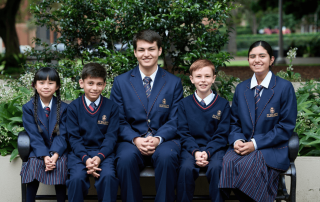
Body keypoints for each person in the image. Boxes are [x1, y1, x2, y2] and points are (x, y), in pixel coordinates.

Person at [218, 41, 297, 202]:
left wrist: (254, 144)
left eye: (262, 56)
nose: (257, 60)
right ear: (248, 60)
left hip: (272, 148)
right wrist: (237, 140)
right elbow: (234, 122)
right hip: (244, 146)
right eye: (252, 56)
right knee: (226, 161)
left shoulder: (284, 88)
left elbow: (285, 127)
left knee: (249, 164)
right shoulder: (241, 88)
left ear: (271, 60)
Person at [110, 29, 183, 202]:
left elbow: (176, 119)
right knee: (125, 159)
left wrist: (158, 138)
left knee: (167, 157)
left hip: (164, 140)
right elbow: (118, 120)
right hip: (132, 140)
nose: (146, 54)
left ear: (159, 51)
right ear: (135, 52)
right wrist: (135, 139)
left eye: (151, 49)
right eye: (141, 50)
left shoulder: (173, 82)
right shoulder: (121, 82)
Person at [176, 59, 230, 202]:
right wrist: (196, 151)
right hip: (191, 149)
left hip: (215, 149)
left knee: (217, 168)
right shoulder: (183, 104)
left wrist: (207, 152)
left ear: (214, 78)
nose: (203, 80)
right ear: (191, 79)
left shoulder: (223, 105)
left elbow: (222, 134)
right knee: (185, 169)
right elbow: (183, 132)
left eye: (207, 76)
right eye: (198, 76)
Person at [66, 63, 119, 202]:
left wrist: (100, 157)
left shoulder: (112, 107)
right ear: (81, 83)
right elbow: (74, 138)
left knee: (108, 178)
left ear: (105, 85)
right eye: (90, 83)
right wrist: (85, 159)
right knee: (76, 179)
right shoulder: (73, 108)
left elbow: (111, 137)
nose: (95, 88)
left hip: (104, 154)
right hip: (79, 154)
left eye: (99, 84)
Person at [21, 67, 68, 202]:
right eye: (41, 83)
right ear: (34, 85)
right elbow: (34, 135)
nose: (46, 86)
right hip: (38, 149)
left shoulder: (64, 108)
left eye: (51, 83)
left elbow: (63, 134)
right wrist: (45, 155)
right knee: (34, 163)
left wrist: (55, 155)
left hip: (59, 149)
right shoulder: (29, 108)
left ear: (57, 86)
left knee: (60, 164)